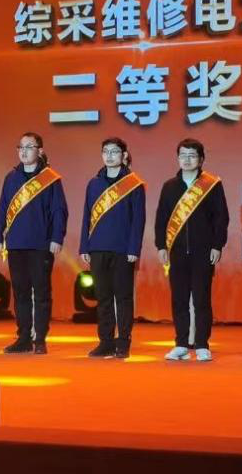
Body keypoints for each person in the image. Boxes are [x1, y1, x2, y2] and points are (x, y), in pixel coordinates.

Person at [0, 132, 68, 355]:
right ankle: (23, 337)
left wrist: (57, 237)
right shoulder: (11, 177)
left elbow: (59, 211)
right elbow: (3, 208)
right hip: (16, 243)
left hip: (41, 244)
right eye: (21, 147)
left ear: (40, 151)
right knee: (21, 292)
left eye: (29, 147)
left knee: (41, 292)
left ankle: (40, 338)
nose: (24, 152)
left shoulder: (50, 178)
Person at [156, 139, 229, 362]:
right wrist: (161, 245)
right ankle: (181, 344)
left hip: (203, 251)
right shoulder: (169, 186)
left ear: (201, 159)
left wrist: (217, 245)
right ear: (178, 158)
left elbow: (221, 218)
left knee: (201, 299)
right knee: (179, 299)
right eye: (183, 155)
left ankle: (202, 344)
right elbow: (161, 219)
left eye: (192, 155)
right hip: (176, 251)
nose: (187, 160)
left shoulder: (212, 185)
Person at [79, 138, 146, 359]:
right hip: (97, 247)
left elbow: (138, 220)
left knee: (123, 297)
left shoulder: (134, 184)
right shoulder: (93, 183)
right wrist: (84, 246)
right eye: (105, 151)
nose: (109, 156)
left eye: (114, 152)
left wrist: (134, 248)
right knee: (103, 297)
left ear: (124, 155)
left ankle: (123, 341)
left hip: (123, 250)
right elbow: (87, 216)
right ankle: (106, 341)